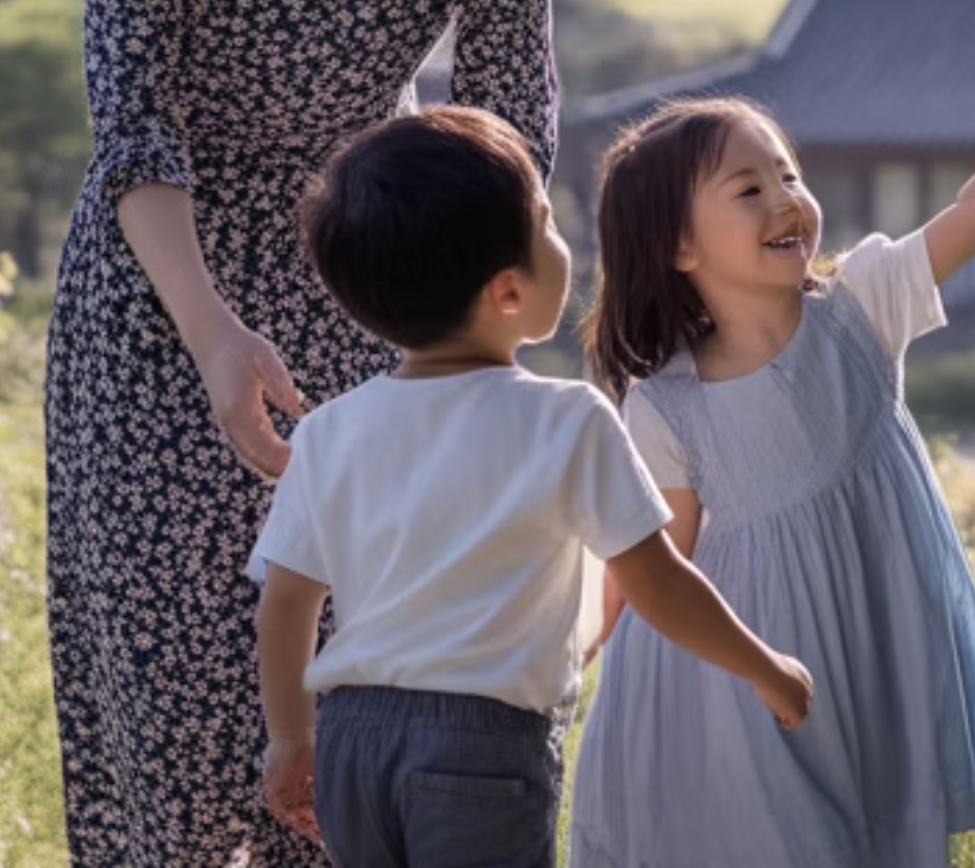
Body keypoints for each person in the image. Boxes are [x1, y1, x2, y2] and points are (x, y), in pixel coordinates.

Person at [41, 0, 556, 862]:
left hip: (371, 296)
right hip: (163, 309)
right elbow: (132, 123)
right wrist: (216, 334)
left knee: (352, 731)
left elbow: (513, 145)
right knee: (178, 733)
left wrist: (492, 356)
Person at [569, 35, 975, 866]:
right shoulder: (667, 404)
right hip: (746, 687)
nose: (785, 199)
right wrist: (606, 679)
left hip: (873, 651)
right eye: (749, 188)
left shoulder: (862, 307)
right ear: (679, 249)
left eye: (789, 175)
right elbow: (659, 572)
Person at [251, 107, 814, 866]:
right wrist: (766, 668)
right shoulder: (566, 419)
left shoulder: (329, 431)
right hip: (480, 751)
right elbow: (655, 582)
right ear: (508, 292)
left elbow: (287, 601)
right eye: (547, 223)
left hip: (353, 737)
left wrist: (291, 736)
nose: (564, 242)